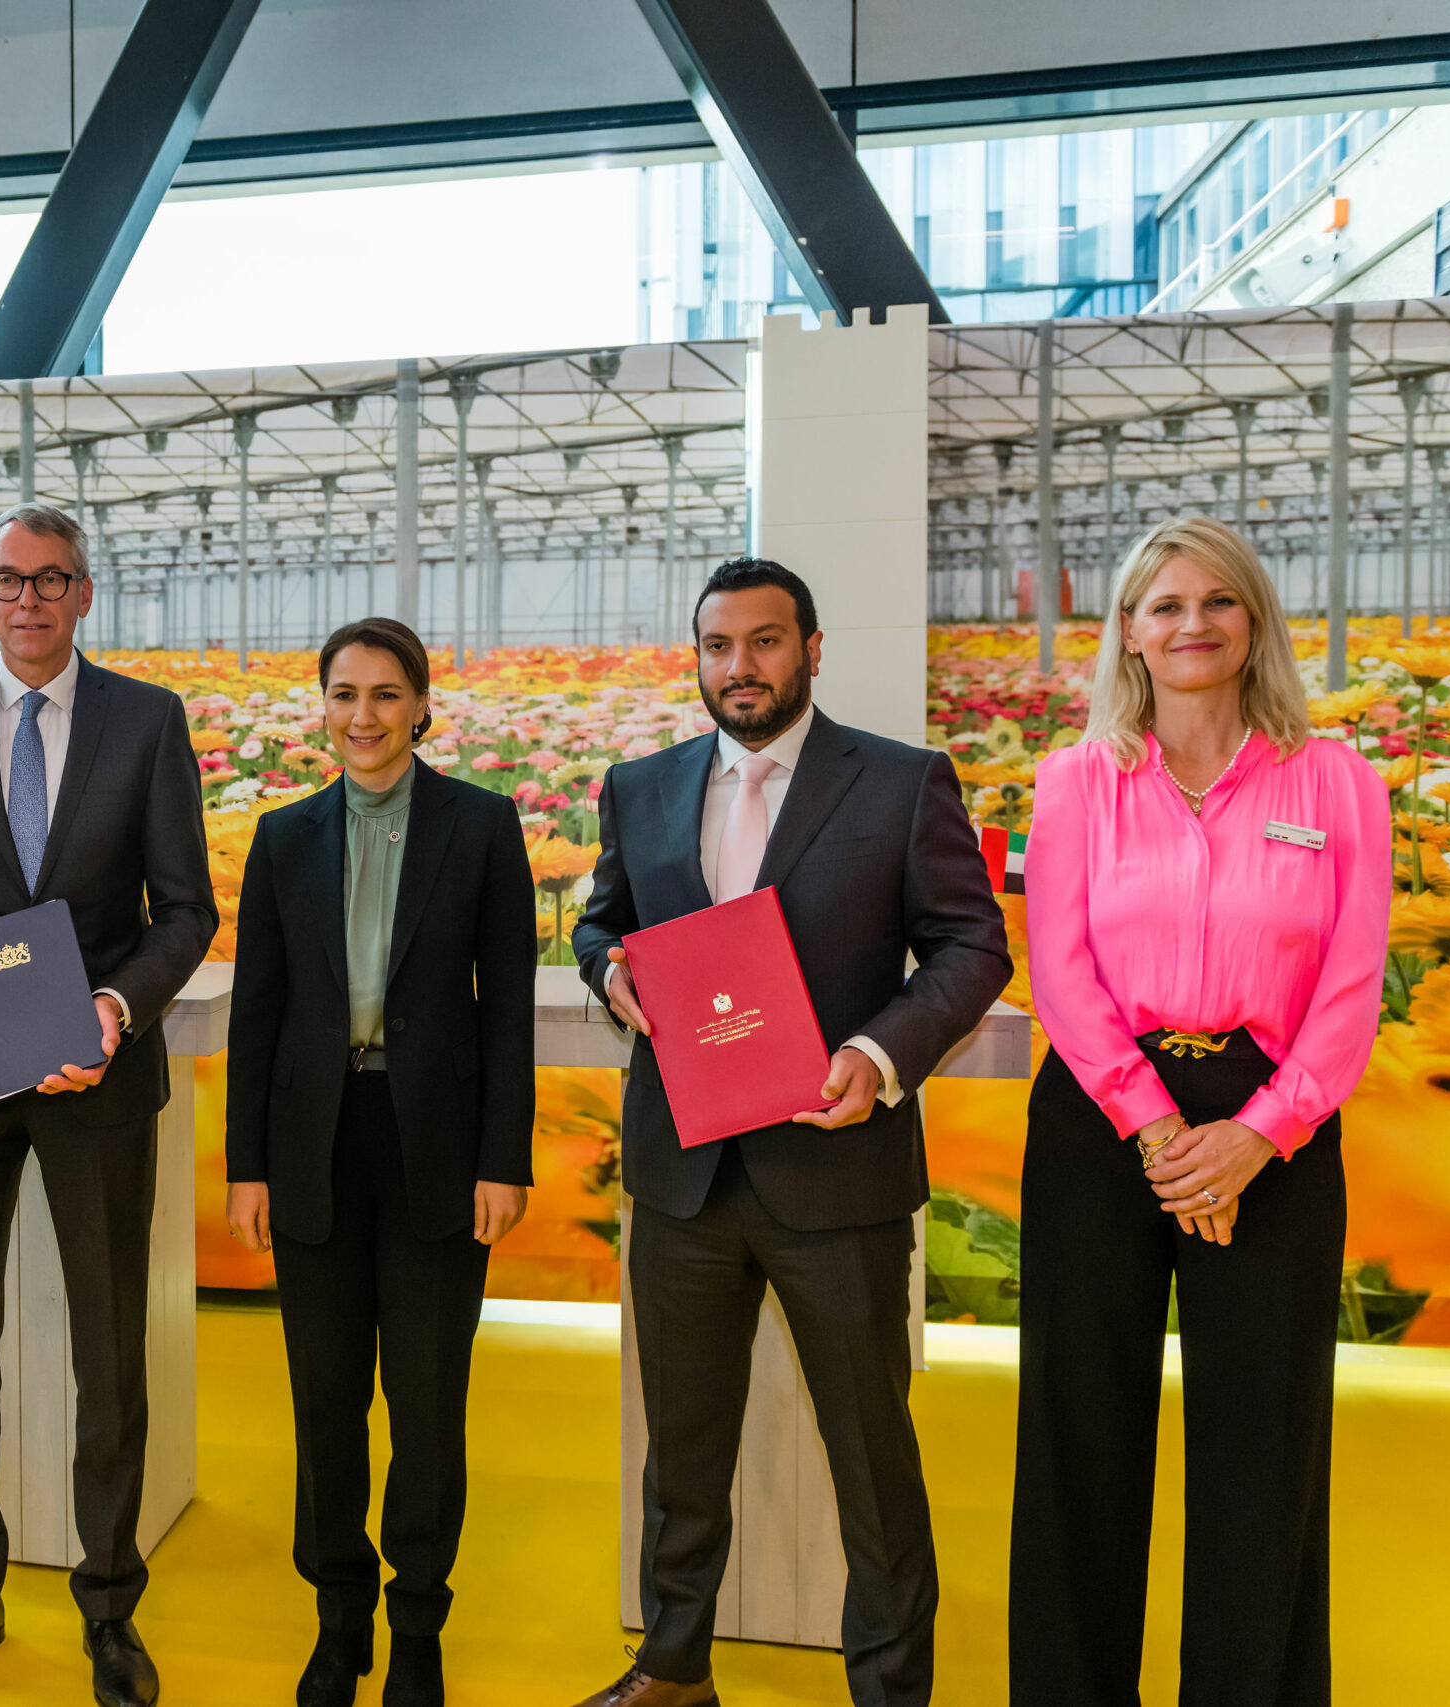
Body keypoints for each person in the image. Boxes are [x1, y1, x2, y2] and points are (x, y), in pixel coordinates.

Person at [566, 559, 1012, 1707]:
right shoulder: (643, 785)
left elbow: (970, 948)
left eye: (764, 643)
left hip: (838, 1174)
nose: (739, 668)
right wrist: (610, 974)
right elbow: (602, 922)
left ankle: (889, 1687)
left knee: (870, 1456)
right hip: (682, 1179)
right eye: (719, 646)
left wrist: (875, 1056)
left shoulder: (903, 784)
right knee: (683, 1451)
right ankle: (673, 1667)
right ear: (698, 658)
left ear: (811, 649)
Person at [1010, 516, 1384, 1707]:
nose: (1192, 625)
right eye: (1164, 605)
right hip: (1103, 1117)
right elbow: (1060, 972)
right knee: (1079, 1437)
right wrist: (1159, 1132)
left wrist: (1256, 1135)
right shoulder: (1075, 780)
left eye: (1218, 602)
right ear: (1127, 631)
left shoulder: (1336, 782)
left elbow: (1351, 986)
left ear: (1254, 621)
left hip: (1269, 1124)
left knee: (1260, 1444)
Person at [0, 504, 216, 1707]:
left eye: (50, 579)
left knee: (112, 1358)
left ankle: (110, 1609)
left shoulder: (147, 722)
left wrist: (114, 1011)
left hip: (96, 1077)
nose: (27, 599)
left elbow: (184, 910)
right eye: (7, 580)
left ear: (84, 594)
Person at [224, 618, 538, 1707]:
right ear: (321, 706)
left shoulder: (482, 826)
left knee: (425, 1399)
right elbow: (257, 1014)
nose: (363, 716)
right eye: (345, 694)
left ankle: (418, 1621)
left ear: (421, 706)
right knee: (324, 1403)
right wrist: (246, 1167)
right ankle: (338, 1614)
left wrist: (504, 1161)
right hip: (314, 1145)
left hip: (436, 1151)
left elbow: (506, 1015)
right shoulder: (283, 837)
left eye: (386, 695)